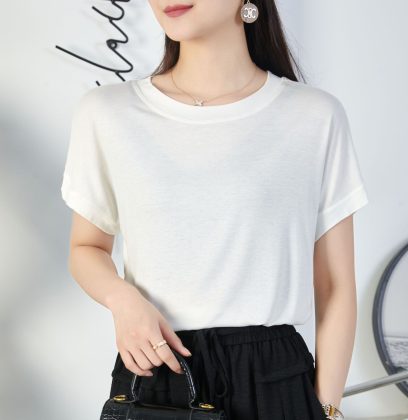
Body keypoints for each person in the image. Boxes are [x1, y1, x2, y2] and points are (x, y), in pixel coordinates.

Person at [60, 1, 369, 419]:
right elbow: (86, 247)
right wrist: (123, 300)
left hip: (276, 382)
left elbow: (334, 284)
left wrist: (328, 410)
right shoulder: (107, 111)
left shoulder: (313, 115)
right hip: (159, 372)